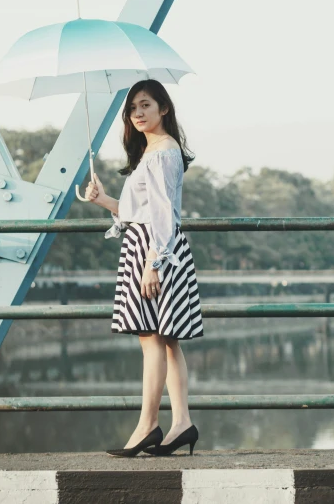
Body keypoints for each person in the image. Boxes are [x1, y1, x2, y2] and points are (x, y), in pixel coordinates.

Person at [85, 79, 203, 457]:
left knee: (151, 340)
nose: (137, 113)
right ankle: (181, 423)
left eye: (145, 105)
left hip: (154, 250)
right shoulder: (152, 152)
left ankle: (148, 425)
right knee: (166, 341)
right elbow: (139, 211)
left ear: (163, 108)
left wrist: (153, 264)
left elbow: (162, 215)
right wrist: (103, 199)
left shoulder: (163, 152)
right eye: (132, 108)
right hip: (148, 245)